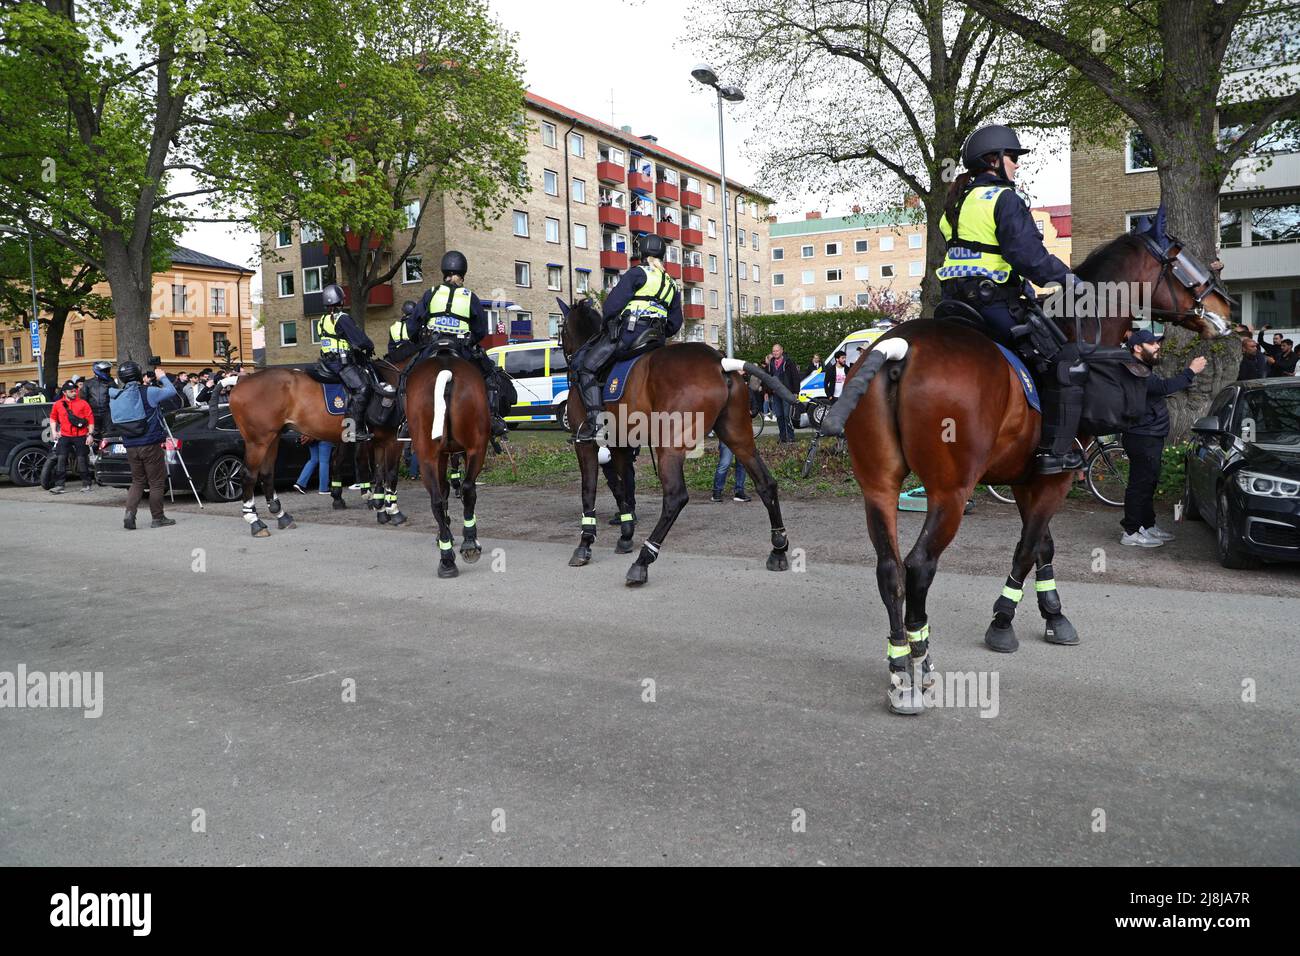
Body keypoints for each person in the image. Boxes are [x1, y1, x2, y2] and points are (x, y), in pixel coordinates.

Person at [936, 124, 1086, 475]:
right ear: (994, 160)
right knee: (1063, 361)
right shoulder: (1004, 199)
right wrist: (1070, 280)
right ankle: (1053, 451)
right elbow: (1028, 256)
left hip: (953, 307)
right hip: (993, 304)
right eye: (1013, 158)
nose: (1016, 165)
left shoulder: (954, 206)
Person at [573, 234, 683, 442]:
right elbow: (675, 323)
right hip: (655, 340)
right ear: (662, 255)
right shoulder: (672, 284)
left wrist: (610, 323)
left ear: (642, 254)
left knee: (587, 367)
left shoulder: (637, 273)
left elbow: (612, 306)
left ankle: (596, 425)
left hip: (630, 336)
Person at [1118, 330, 1207, 548]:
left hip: (1150, 434)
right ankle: (1130, 531)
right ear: (1137, 348)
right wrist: (1191, 371)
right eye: (1151, 343)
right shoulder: (1133, 369)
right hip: (1141, 435)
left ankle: (1147, 525)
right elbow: (1163, 387)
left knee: (1149, 482)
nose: (1157, 346)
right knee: (1140, 484)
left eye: (1157, 342)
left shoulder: (1143, 368)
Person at [415, 251, 508, 437]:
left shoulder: (431, 294)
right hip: (461, 350)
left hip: (432, 348)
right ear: (462, 275)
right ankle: (494, 418)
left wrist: (421, 341)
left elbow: (413, 325)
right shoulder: (469, 296)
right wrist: (470, 340)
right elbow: (480, 329)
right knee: (490, 378)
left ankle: (405, 421)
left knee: (408, 377)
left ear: (444, 273)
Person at [112, 362, 177, 530]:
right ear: (139, 375)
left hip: (130, 445)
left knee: (137, 481)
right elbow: (171, 391)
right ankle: (158, 518)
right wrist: (162, 376)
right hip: (150, 444)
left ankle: (129, 514)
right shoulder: (149, 392)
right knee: (156, 482)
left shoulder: (118, 396)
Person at [316, 282, 376, 442]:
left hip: (326, 361)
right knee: (363, 388)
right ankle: (353, 431)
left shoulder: (322, 320)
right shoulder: (342, 319)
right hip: (340, 362)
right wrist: (369, 346)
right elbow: (359, 338)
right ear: (340, 301)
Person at [49, 380, 94, 494]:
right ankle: (59, 485)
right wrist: (54, 431)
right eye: (71, 391)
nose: (74, 393)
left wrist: (90, 435)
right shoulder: (58, 404)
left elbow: (90, 420)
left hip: (81, 435)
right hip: (64, 435)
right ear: (64, 392)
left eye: (75, 391)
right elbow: (53, 418)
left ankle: (86, 484)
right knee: (61, 458)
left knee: (81, 459)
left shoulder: (83, 403)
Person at [765, 343, 801, 442]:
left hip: (787, 393)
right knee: (779, 415)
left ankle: (791, 436)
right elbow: (767, 378)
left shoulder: (789, 362)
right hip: (776, 393)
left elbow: (795, 377)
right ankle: (782, 437)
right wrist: (767, 391)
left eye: (777, 351)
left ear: (781, 351)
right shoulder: (771, 363)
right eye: (773, 351)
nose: (775, 353)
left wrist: (796, 392)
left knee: (787, 415)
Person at [80, 360, 114, 447]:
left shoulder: (111, 382)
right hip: (92, 414)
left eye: (108, 370)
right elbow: (83, 401)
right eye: (105, 370)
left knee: (109, 436)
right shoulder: (88, 383)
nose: (107, 372)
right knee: (93, 437)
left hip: (108, 414)